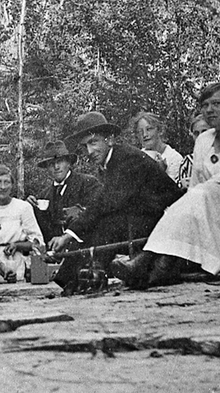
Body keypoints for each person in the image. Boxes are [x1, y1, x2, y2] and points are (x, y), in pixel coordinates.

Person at [121, 83, 220, 288]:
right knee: (198, 196)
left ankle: (149, 262)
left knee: (204, 194)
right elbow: (196, 183)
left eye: (216, 103)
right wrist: (185, 207)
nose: (209, 110)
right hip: (210, 204)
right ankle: (156, 267)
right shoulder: (204, 139)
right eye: (205, 105)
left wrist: (190, 203)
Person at [47, 111, 184, 293]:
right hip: (141, 219)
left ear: (109, 139)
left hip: (166, 223)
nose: (89, 152)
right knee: (100, 224)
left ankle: (83, 275)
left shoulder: (126, 159)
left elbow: (105, 203)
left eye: (93, 142)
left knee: (104, 223)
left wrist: (68, 236)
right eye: (84, 146)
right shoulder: (111, 161)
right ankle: (74, 278)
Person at [0, 164, 43, 283]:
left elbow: (37, 242)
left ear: (12, 185)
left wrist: (17, 245)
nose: (2, 187)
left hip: (14, 265)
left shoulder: (23, 207)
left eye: (7, 182)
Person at [28, 140, 101, 242]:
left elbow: (96, 214)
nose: (56, 167)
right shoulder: (43, 196)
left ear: (68, 163)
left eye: (60, 161)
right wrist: (28, 207)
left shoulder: (87, 183)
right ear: (47, 168)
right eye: (51, 164)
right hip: (57, 253)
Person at [133, 111, 183, 186]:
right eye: (140, 132)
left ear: (160, 130)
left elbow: (173, 192)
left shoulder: (174, 158)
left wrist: (160, 172)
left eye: (149, 129)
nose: (145, 135)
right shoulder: (137, 158)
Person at [177, 113, 211, 189]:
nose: (200, 136)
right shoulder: (187, 162)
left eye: (204, 132)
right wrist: (182, 185)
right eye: (196, 133)